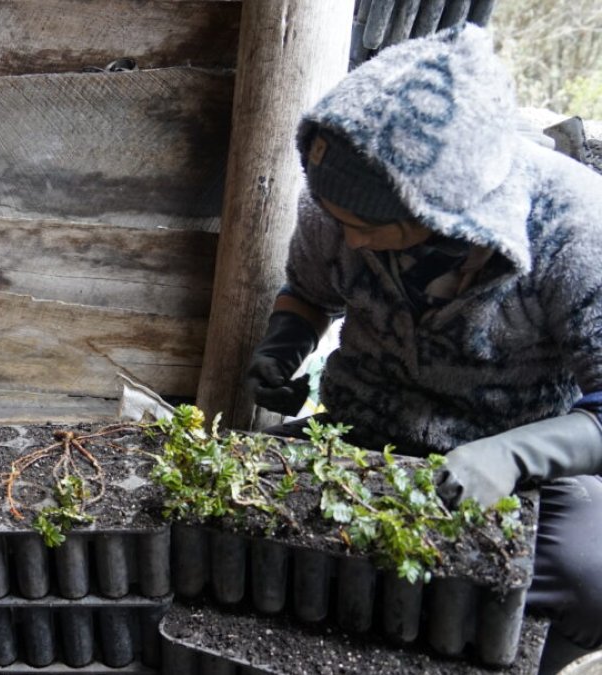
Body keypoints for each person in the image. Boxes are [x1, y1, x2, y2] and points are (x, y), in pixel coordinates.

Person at [246, 25, 602, 671]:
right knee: (231, 510)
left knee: (591, 575)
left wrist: (513, 455)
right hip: (364, 433)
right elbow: (308, 290)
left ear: (442, 215)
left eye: (368, 229)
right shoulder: (334, 203)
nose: (347, 242)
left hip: (518, 471)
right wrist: (283, 344)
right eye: (339, 224)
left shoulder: (576, 226)